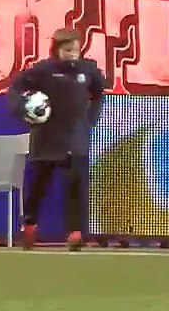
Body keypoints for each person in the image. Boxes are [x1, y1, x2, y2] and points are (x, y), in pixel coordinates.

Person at [9, 28, 106, 251]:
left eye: (75, 50)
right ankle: (30, 227)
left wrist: (91, 117)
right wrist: (22, 108)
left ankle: (75, 234)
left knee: (76, 187)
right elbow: (16, 88)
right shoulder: (43, 70)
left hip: (75, 139)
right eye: (67, 50)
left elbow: (99, 92)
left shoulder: (88, 70)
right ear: (57, 49)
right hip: (46, 139)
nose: (72, 54)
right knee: (38, 187)